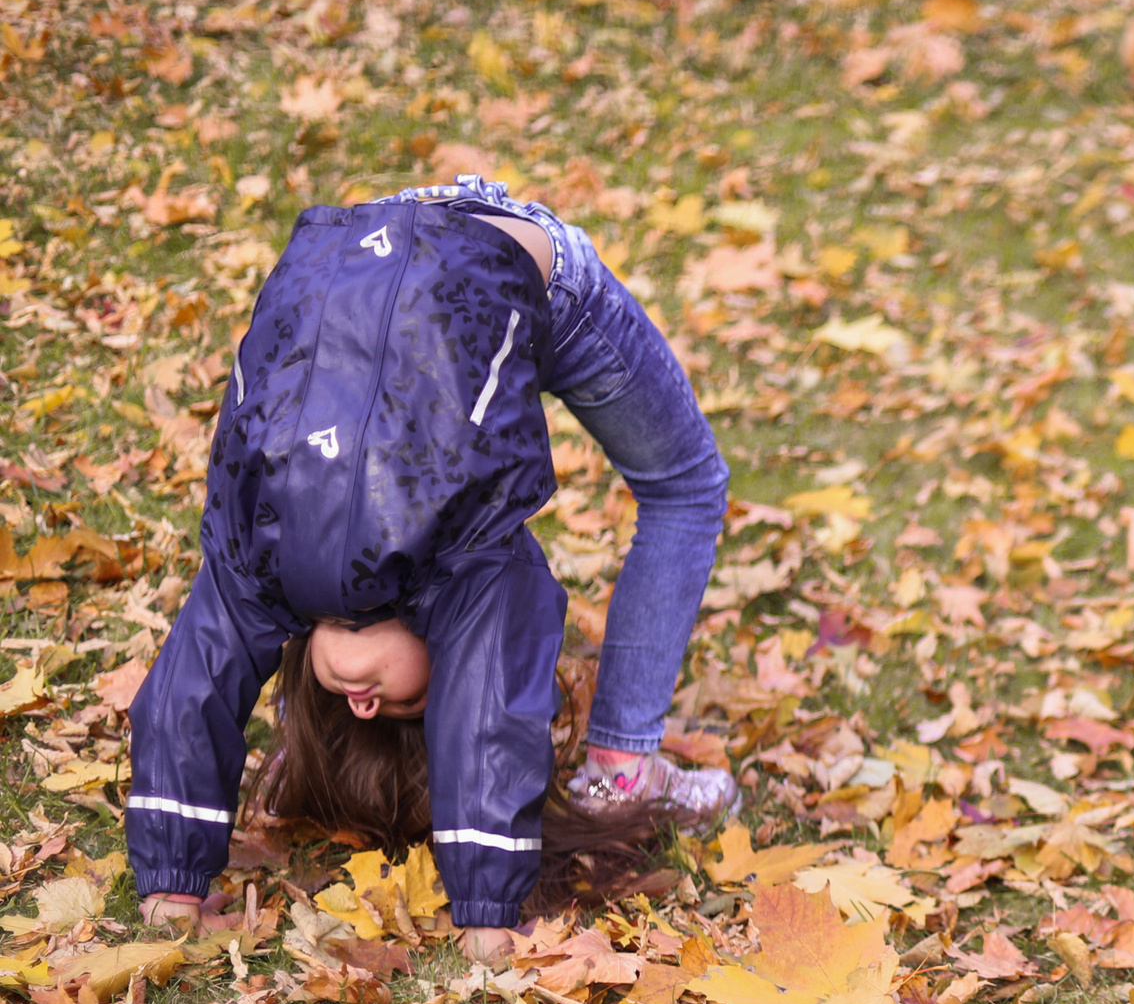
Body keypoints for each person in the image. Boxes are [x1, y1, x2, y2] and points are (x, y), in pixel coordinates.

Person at [127, 178, 737, 959]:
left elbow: (195, 682)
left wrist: (171, 889)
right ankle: (623, 769)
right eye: (420, 704)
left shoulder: (268, 550)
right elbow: (490, 709)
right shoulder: (438, 558)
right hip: (418, 256)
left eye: (354, 710)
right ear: (442, 640)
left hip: (358, 260)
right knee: (684, 482)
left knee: (685, 484)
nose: (368, 705)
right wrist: (487, 916)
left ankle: (623, 767)